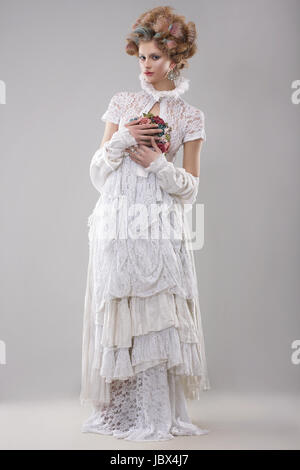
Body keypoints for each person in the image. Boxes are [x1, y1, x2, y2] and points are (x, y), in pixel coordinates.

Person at [80, 5, 211, 442]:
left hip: (157, 221)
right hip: (117, 218)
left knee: (156, 310)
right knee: (119, 305)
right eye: (141, 57)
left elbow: (190, 188)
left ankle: (155, 413)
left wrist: (157, 163)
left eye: (155, 57)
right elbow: (98, 173)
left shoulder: (190, 116)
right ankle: (120, 409)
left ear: (175, 59)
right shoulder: (122, 103)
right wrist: (122, 137)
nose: (146, 66)